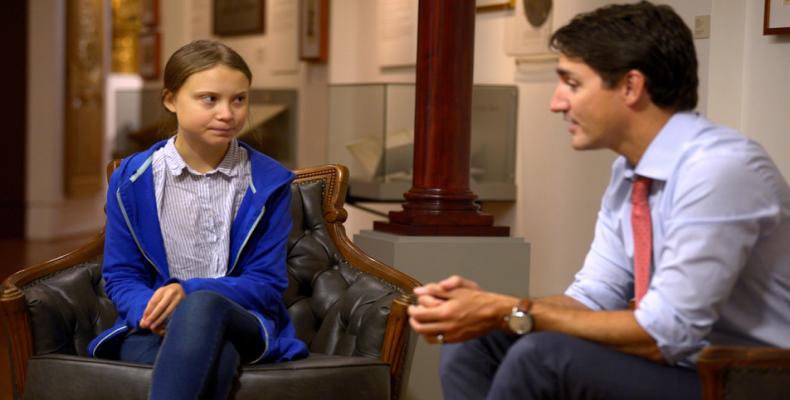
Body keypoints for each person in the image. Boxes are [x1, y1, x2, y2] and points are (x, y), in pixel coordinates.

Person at [408, 2, 790, 399]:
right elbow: (591, 299)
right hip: (681, 363)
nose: (556, 102)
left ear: (630, 86)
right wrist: (489, 309)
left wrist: (506, 309)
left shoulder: (718, 170)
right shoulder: (631, 174)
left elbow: (667, 332)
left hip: (750, 379)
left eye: (572, 84)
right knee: (475, 341)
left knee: (543, 356)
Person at [88, 40, 307, 399]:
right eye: (209, 99)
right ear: (171, 100)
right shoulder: (131, 179)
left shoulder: (269, 181)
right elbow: (122, 275)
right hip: (153, 327)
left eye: (239, 99)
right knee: (216, 357)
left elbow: (265, 285)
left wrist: (187, 293)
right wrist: (151, 311)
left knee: (202, 304)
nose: (228, 113)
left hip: (244, 322)